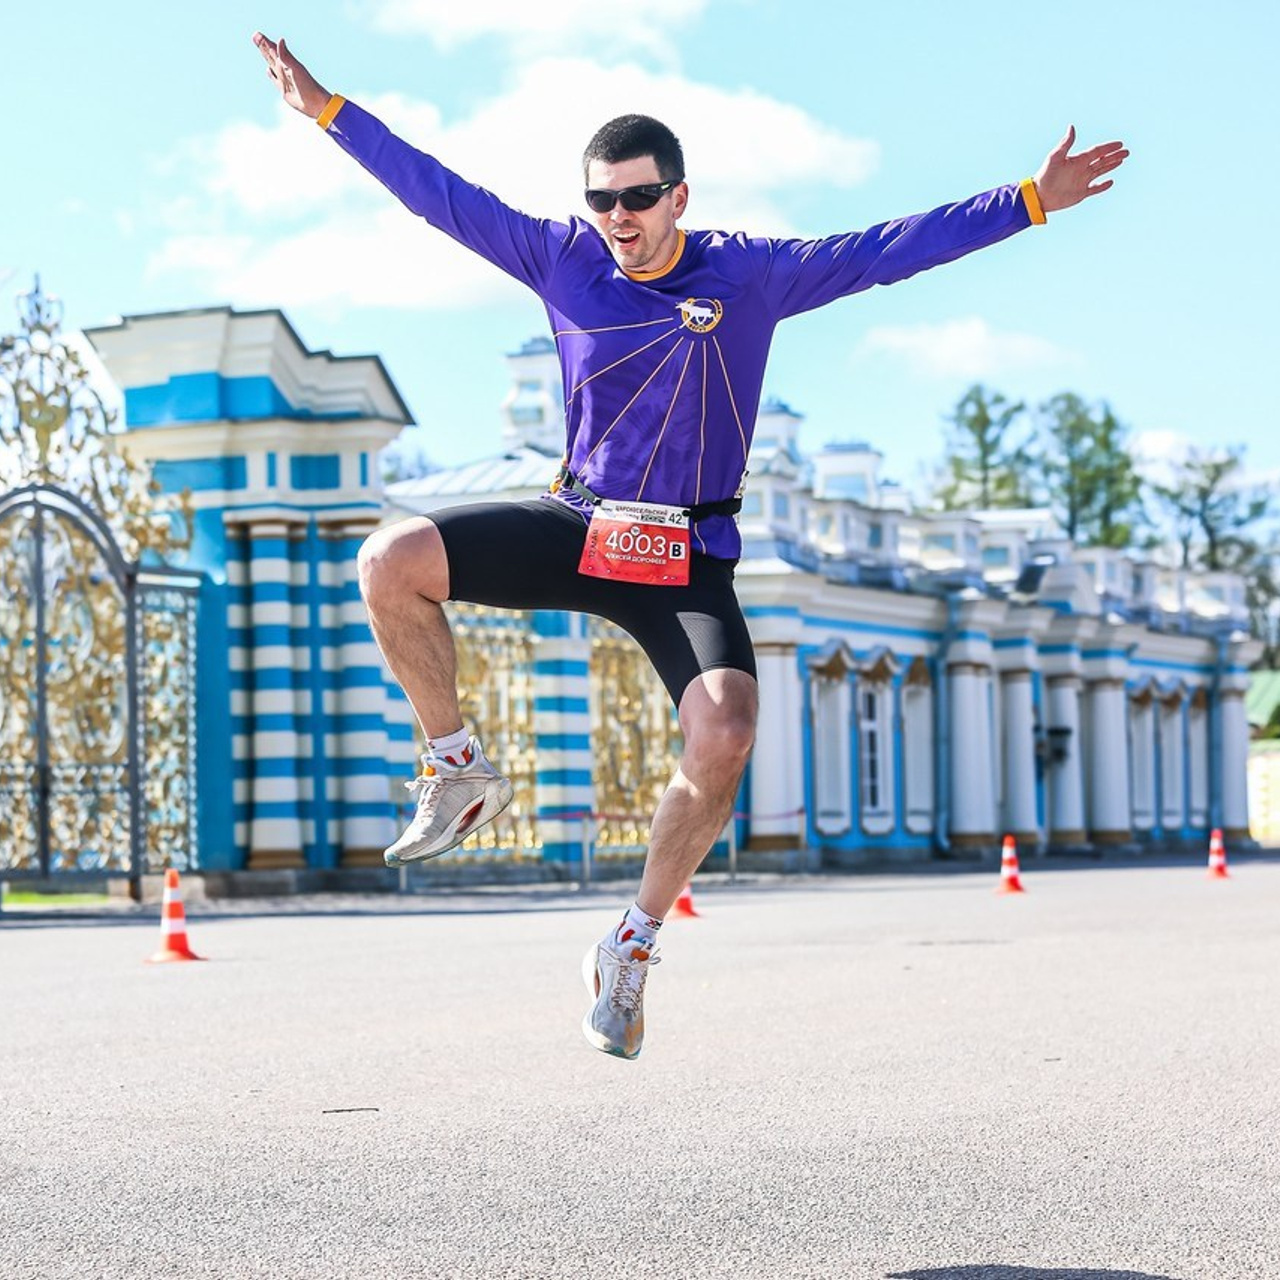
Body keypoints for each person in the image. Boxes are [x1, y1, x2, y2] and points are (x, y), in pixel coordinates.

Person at [252, 30, 1128, 1060]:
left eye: (635, 197)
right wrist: (328, 112)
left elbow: (885, 249)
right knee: (387, 561)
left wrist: (1026, 199)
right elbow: (435, 192)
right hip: (578, 524)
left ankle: (630, 941)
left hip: (683, 554)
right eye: (600, 201)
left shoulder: (748, 274)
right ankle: (456, 767)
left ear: (677, 195)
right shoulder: (558, 257)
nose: (616, 219)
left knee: (724, 732)